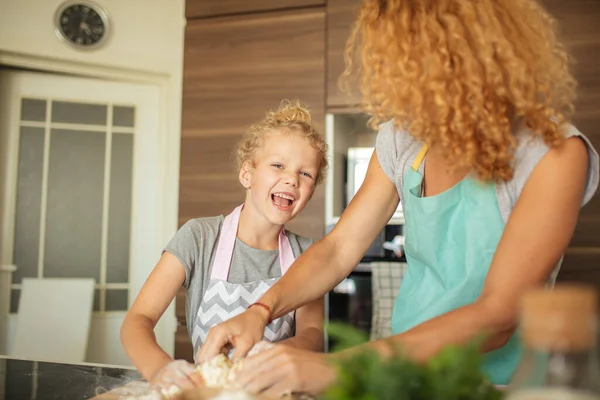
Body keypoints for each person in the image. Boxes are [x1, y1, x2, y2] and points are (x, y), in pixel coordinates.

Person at [197, 0, 600, 396]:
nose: (398, 90)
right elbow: (338, 249)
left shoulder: (552, 153)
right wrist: (260, 311)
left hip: (502, 385)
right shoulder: (403, 139)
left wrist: (335, 367)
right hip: (402, 378)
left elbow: (498, 315)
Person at [120, 100, 329, 391]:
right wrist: (161, 371)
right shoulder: (199, 237)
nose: (291, 179)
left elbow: (313, 333)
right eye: (278, 165)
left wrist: (273, 357)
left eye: (305, 173)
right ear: (247, 174)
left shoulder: (307, 254)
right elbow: (138, 320)